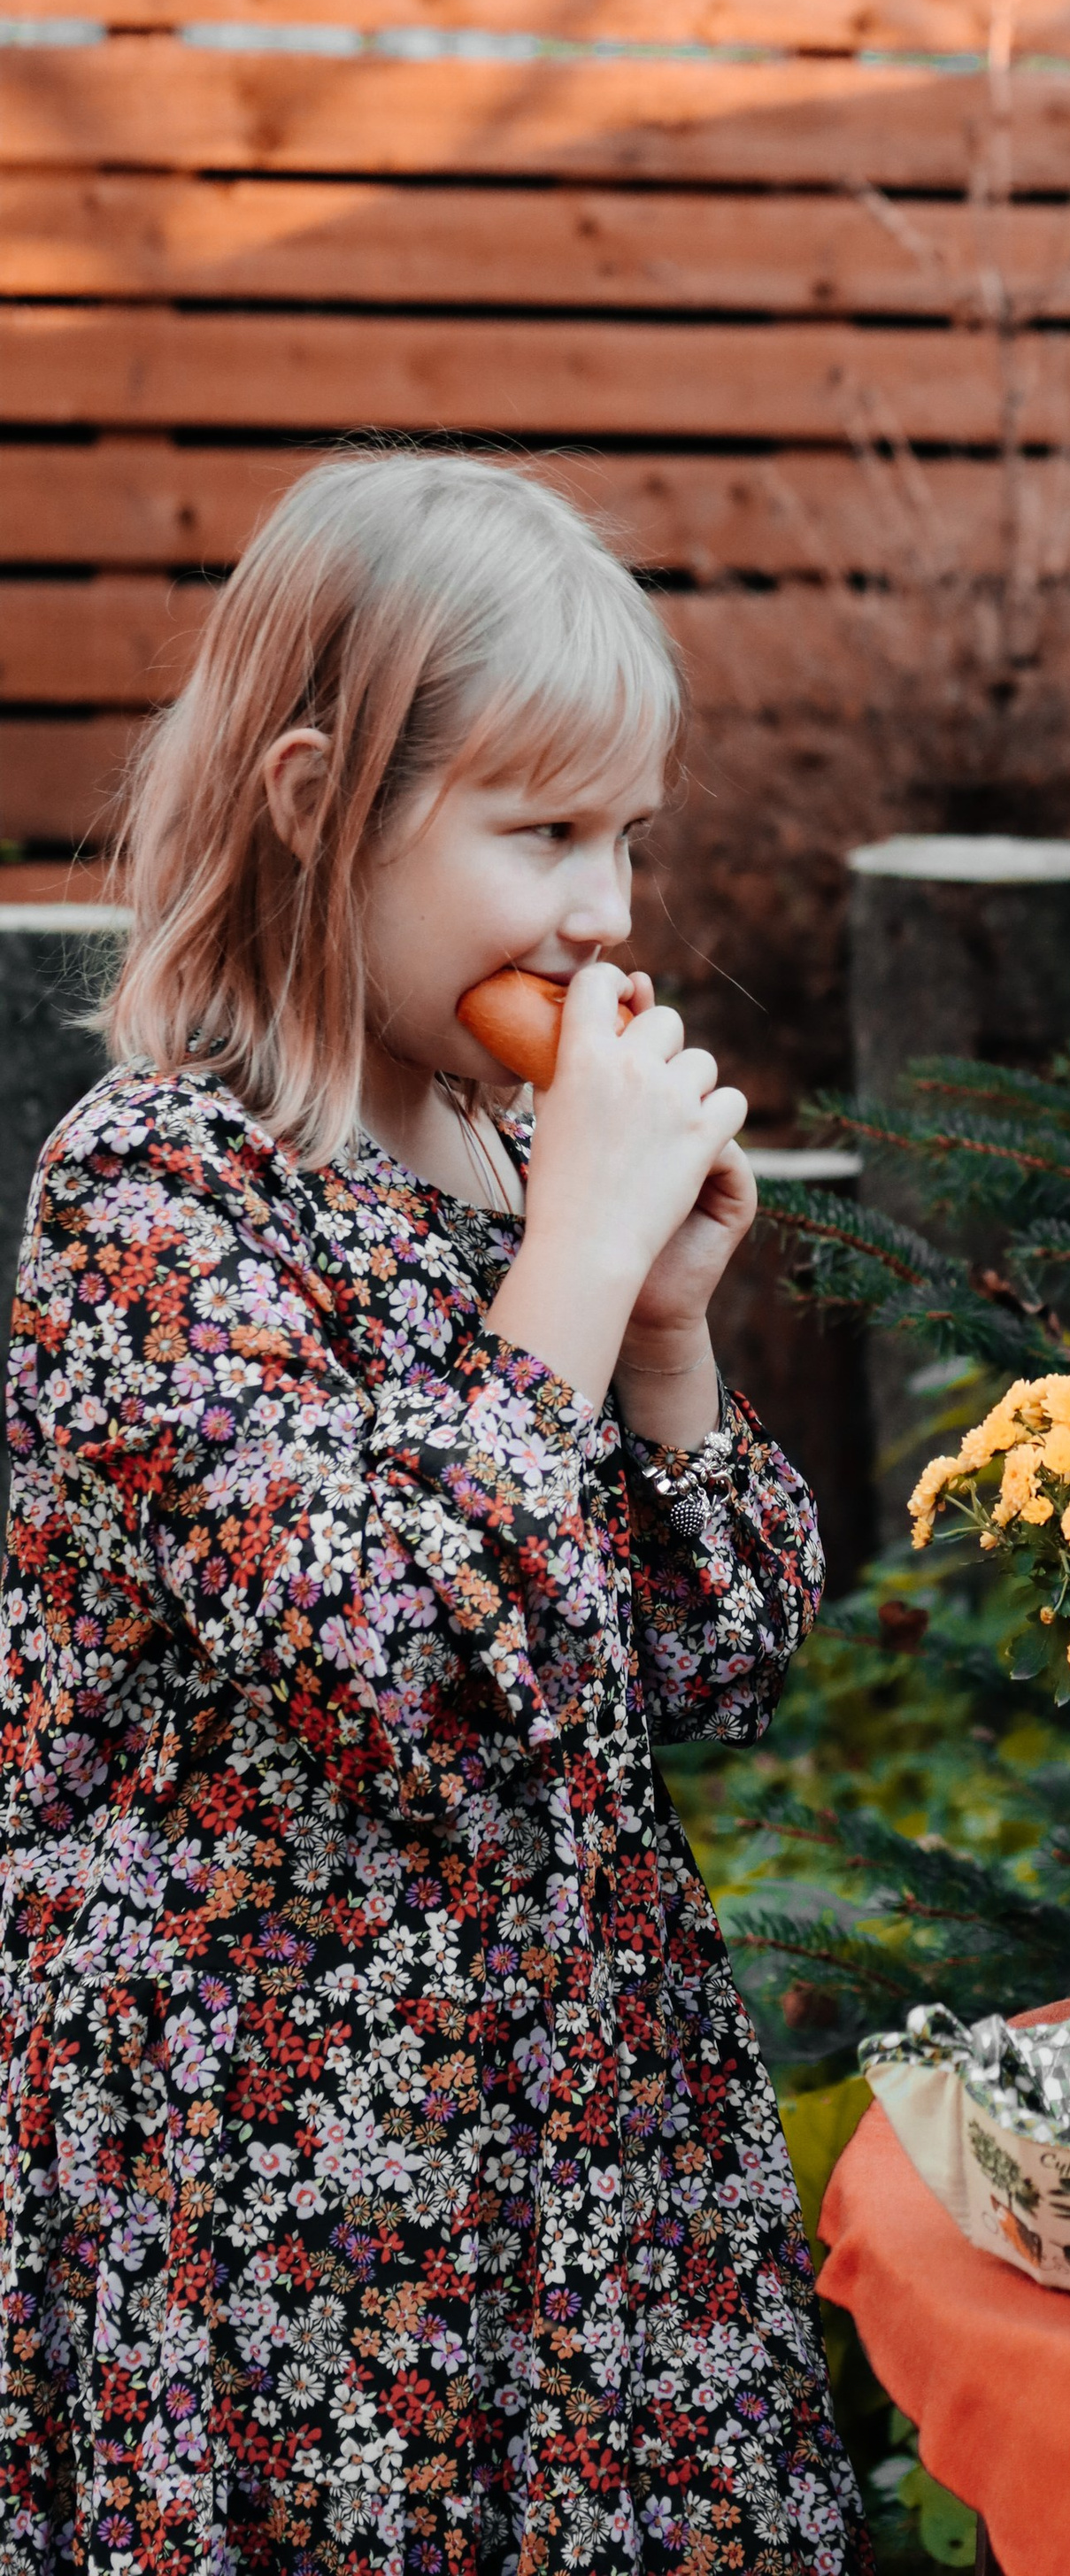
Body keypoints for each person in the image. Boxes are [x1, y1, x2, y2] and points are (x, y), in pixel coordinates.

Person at [0, 458, 870, 2573]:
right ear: (317, 803)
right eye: (541, 832)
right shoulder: (155, 1197)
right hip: (280, 2166)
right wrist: (570, 1257)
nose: (605, 913)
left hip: (571, 2129)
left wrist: (661, 1330)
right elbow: (382, 1653)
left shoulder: (506, 1156)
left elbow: (713, 1656)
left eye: (626, 838)